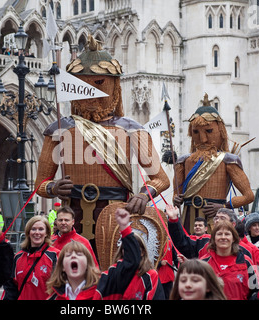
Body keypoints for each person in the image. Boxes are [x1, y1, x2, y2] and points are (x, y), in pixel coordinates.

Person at [35, 35, 170, 246]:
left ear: (113, 86)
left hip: (115, 215)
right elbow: (40, 184)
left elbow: (161, 178)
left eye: (98, 84)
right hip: (72, 215)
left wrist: (143, 195)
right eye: (81, 86)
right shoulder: (59, 129)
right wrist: (53, 187)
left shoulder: (131, 129)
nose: (90, 96)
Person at [173, 93, 254, 234]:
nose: (203, 139)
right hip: (187, 222)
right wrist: (176, 199)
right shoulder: (183, 161)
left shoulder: (228, 160)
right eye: (196, 132)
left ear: (220, 131)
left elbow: (248, 196)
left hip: (215, 221)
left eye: (209, 131)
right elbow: (175, 196)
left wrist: (224, 206)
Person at [201, 220, 259, 300]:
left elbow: (254, 292)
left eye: (227, 234)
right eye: (219, 234)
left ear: (234, 239)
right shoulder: (204, 263)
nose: (223, 237)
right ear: (214, 238)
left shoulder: (246, 261)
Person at [2, 216, 59, 300]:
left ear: (47, 233)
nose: (37, 232)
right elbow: (10, 288)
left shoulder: (55, 255)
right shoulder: (18, 257)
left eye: (41, 229)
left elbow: (60, 289)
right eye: (33, 229)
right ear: (28, 232)